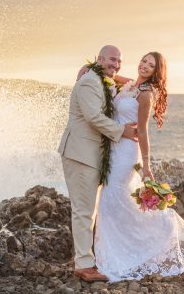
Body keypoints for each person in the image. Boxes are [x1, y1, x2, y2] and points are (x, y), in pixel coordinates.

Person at [87, 52, 184, 282]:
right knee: (113, 199)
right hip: (113, 147)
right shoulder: (130, 84)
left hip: (127, 151)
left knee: (112, 196)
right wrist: (90, 68)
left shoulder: (146, 94)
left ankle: (160, 231)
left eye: (151, 65)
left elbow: (143, 130)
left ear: (156, 72)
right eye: (144, 61)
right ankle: (110, 251)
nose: (144, 66)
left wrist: (147, 165)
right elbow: (109, 73)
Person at [58, 45, 138, 282]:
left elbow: (129, 81)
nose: (116, 64)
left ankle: (86, 259)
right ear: (99, 58)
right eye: (112, 59)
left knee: (88, 209)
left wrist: (105, 69)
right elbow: (93, 117)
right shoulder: (89, 82)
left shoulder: (99, 79)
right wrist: (122, 131)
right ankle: (84, 265)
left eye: (119, 61)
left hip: (89, 153)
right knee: (83, 211)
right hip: (80, 153)